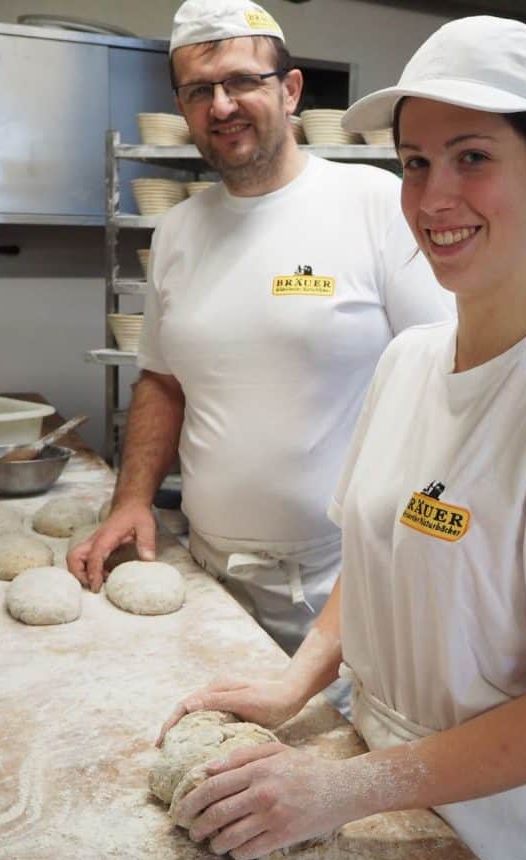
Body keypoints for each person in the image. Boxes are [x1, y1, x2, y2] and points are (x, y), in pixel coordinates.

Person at [155, 16, 526, 860]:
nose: (432, 199)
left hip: (515, 842)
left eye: (473, 158)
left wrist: (346, 788)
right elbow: (376, 556)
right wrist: (295, 683)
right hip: (391, 806)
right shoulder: (409, 361)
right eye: (417, 162)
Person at [66, 0, 452, 706]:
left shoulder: (377, 206)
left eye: (242, 81)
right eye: (199, 90)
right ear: (181, 107)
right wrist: (133, 499)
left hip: (347, 591)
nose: (222, 106)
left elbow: (449, 388)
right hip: (208, 577)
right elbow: (162, 380)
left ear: (291, 89)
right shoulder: (179, 231)